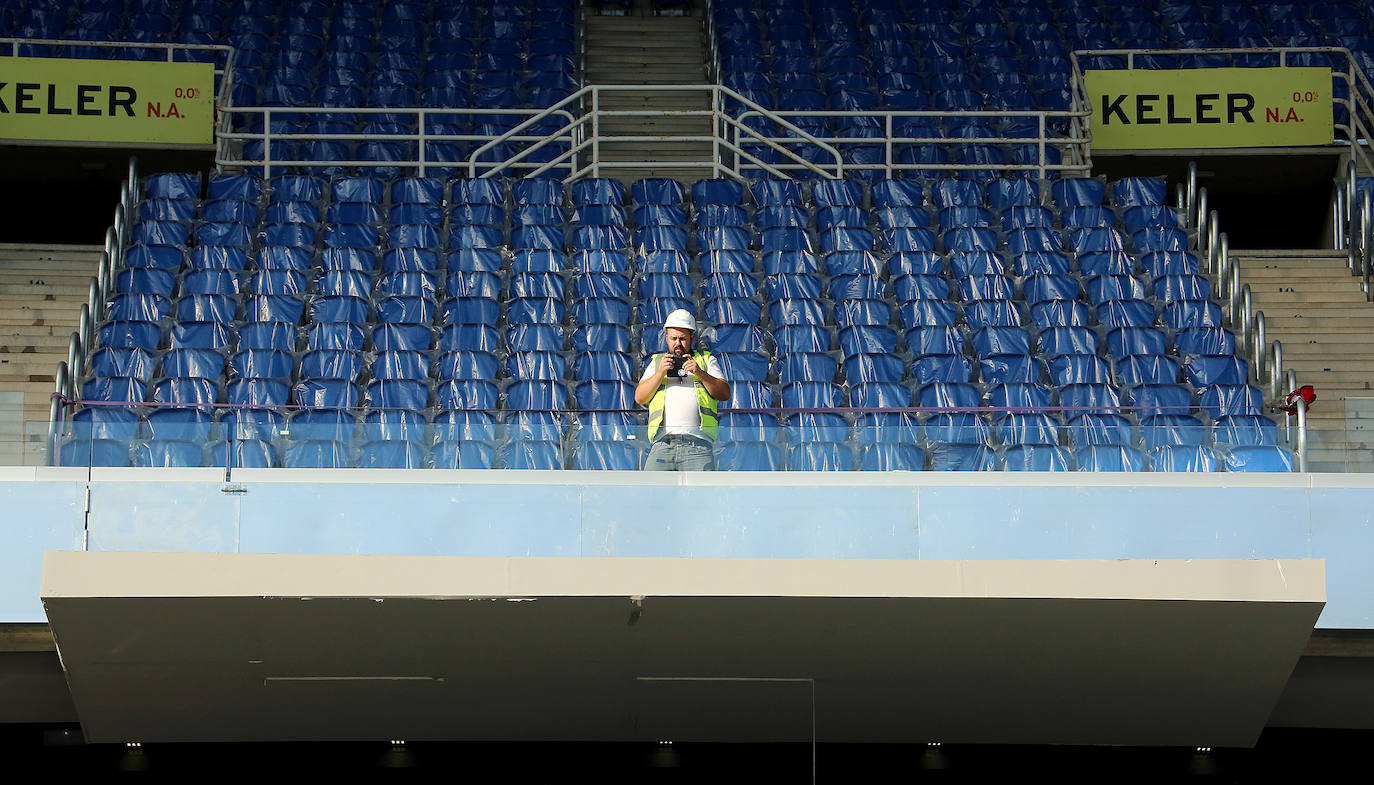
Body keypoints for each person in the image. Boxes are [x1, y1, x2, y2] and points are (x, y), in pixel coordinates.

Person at [634, 309, 730, 470]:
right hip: (663, 443)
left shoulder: (706, 360)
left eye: (683, 339)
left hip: (698, 445)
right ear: (667, 338)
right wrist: (660, 373)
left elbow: (724, 393)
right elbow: (640, 397)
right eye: (673, 338)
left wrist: (699, 372)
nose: (677, 343)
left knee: (701, 495)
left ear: (692, 338)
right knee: (651, 492)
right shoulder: (657, 362)